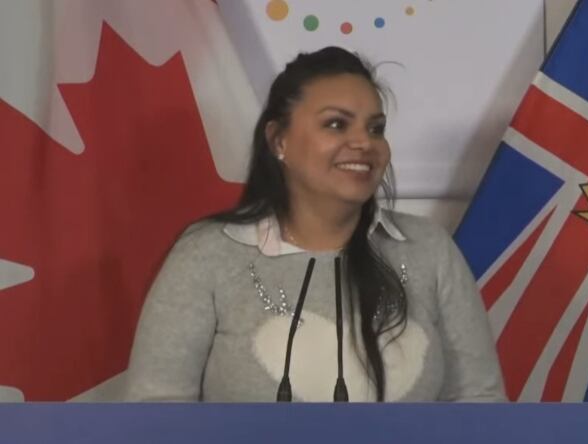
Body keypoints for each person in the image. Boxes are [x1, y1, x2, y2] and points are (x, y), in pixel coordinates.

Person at [124, 46, 505, 402]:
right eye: (337, 124)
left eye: (375, 128)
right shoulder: (206, 254)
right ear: (278, 141)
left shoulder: (428, 248)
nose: (364, 143)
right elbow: (155, 413)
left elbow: (480, 404)